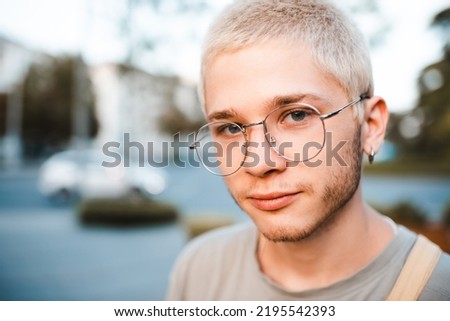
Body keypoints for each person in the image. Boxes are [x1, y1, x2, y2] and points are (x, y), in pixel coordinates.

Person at [166, 0, 450, 300]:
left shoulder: (437, 293)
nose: (259, 162)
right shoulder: (198, 270)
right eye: (230, 128)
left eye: (297, 115)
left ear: (370, 125)